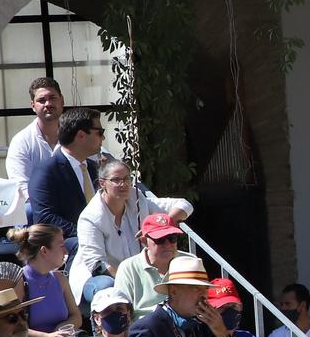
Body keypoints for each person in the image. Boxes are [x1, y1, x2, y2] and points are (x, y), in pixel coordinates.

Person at [70, 157, 193, 309]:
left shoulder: (137, 200)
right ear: (102, 183)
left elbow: (184, 205)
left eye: (127, 179)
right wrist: (130, 279)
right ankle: (107, 330)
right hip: (99, 277)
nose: (124, 184)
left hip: (136, 273)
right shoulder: (91, 217)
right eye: (116, 180)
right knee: (108, 287)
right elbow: (96, 265)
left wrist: (160, 225)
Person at [25, 107, 105, 246]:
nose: (103, 137)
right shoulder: (47, 171)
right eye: (99, 132)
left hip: (100, 239)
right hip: (69, 244)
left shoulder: (95, 169)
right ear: (81, 135)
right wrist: (86, 233)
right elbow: (45, 217)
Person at [8, 224, 82, 337]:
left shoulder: (60, 279)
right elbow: (12, 327)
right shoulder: (18, 282)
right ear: (44, 251)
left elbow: (76, 316)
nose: (65, 251)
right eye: (61, 246)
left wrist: (62, 329)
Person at [113, 213, 185, 313]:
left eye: (172, 238)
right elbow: (122, 310)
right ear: (144, 241)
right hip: (144, 326)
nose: (168, 244)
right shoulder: (128, 268)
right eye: (160, 239)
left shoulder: (189, 262)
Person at [3, 76, 65, 185]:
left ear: (62, 100)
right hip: (36, 202)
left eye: (52, 98)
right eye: (41, 100)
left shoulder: (78, 136)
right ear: (33, 106)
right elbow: (21, 186)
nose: (48, 104)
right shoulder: (21, 142)